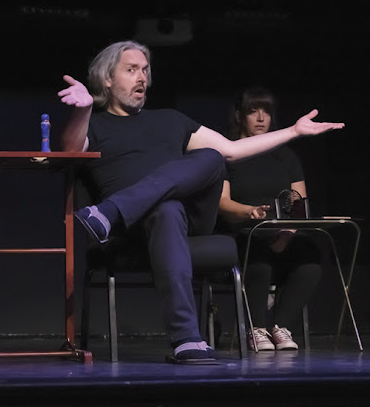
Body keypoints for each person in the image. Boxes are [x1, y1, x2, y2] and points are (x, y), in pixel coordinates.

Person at [57, 40, 343, 364]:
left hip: (188, 220)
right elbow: (69, 151)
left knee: (211, 156)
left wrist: (294, 131)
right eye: (131, 70)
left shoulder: (170, 119)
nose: (142, 77)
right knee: (166, 209)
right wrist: (81, 110)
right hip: (134, 230)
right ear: (107, 79)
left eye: (145, 70)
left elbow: (232, 150)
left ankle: (110, 212)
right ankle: (187, 340)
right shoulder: (93, 124)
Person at [217, 86, 323, 351]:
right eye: (253, 111)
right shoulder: (229, 154)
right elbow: (223, 202)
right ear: (240, 116)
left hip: (280, 232)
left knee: (310, 256)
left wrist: (288, 233)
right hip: (244, 231)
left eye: (266, 111)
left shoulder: (286, 156)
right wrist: (248, 211)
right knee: (258, 254)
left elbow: (299, 203)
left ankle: (280, 327)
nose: (261, 118)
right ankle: (256, 329)